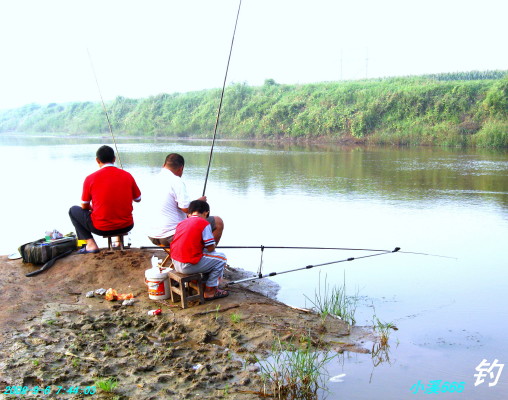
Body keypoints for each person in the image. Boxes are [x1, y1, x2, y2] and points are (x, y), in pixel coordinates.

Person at [69, 145, 141, 253]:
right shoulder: (127, 175)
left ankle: (90, 244)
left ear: (97, 160)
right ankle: (118, 241)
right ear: (114, 159)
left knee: (73, 210)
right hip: (127, 226)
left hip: (101, 228)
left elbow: (84, 205)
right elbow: (138, 199)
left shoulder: (90, 178)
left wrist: (92, 208)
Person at [147, 153, 224, 247]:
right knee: (217, 222)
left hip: (152, 235)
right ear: (181, 168)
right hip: (170, 236)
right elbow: (187, 209)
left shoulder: (153, 180)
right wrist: (200, 202)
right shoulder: (176, 181)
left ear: (164, 165)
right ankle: (206, 255)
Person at [171, 200, 229, 300]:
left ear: (190, 212)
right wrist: (211, 244)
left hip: (175, 263)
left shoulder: (182, 223)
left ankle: (204, 283)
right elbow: (210, 248)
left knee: (209, 256)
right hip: (187, 266)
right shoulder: (204, 223)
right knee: (221, 258)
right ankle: (210, 291)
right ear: (206, 213)